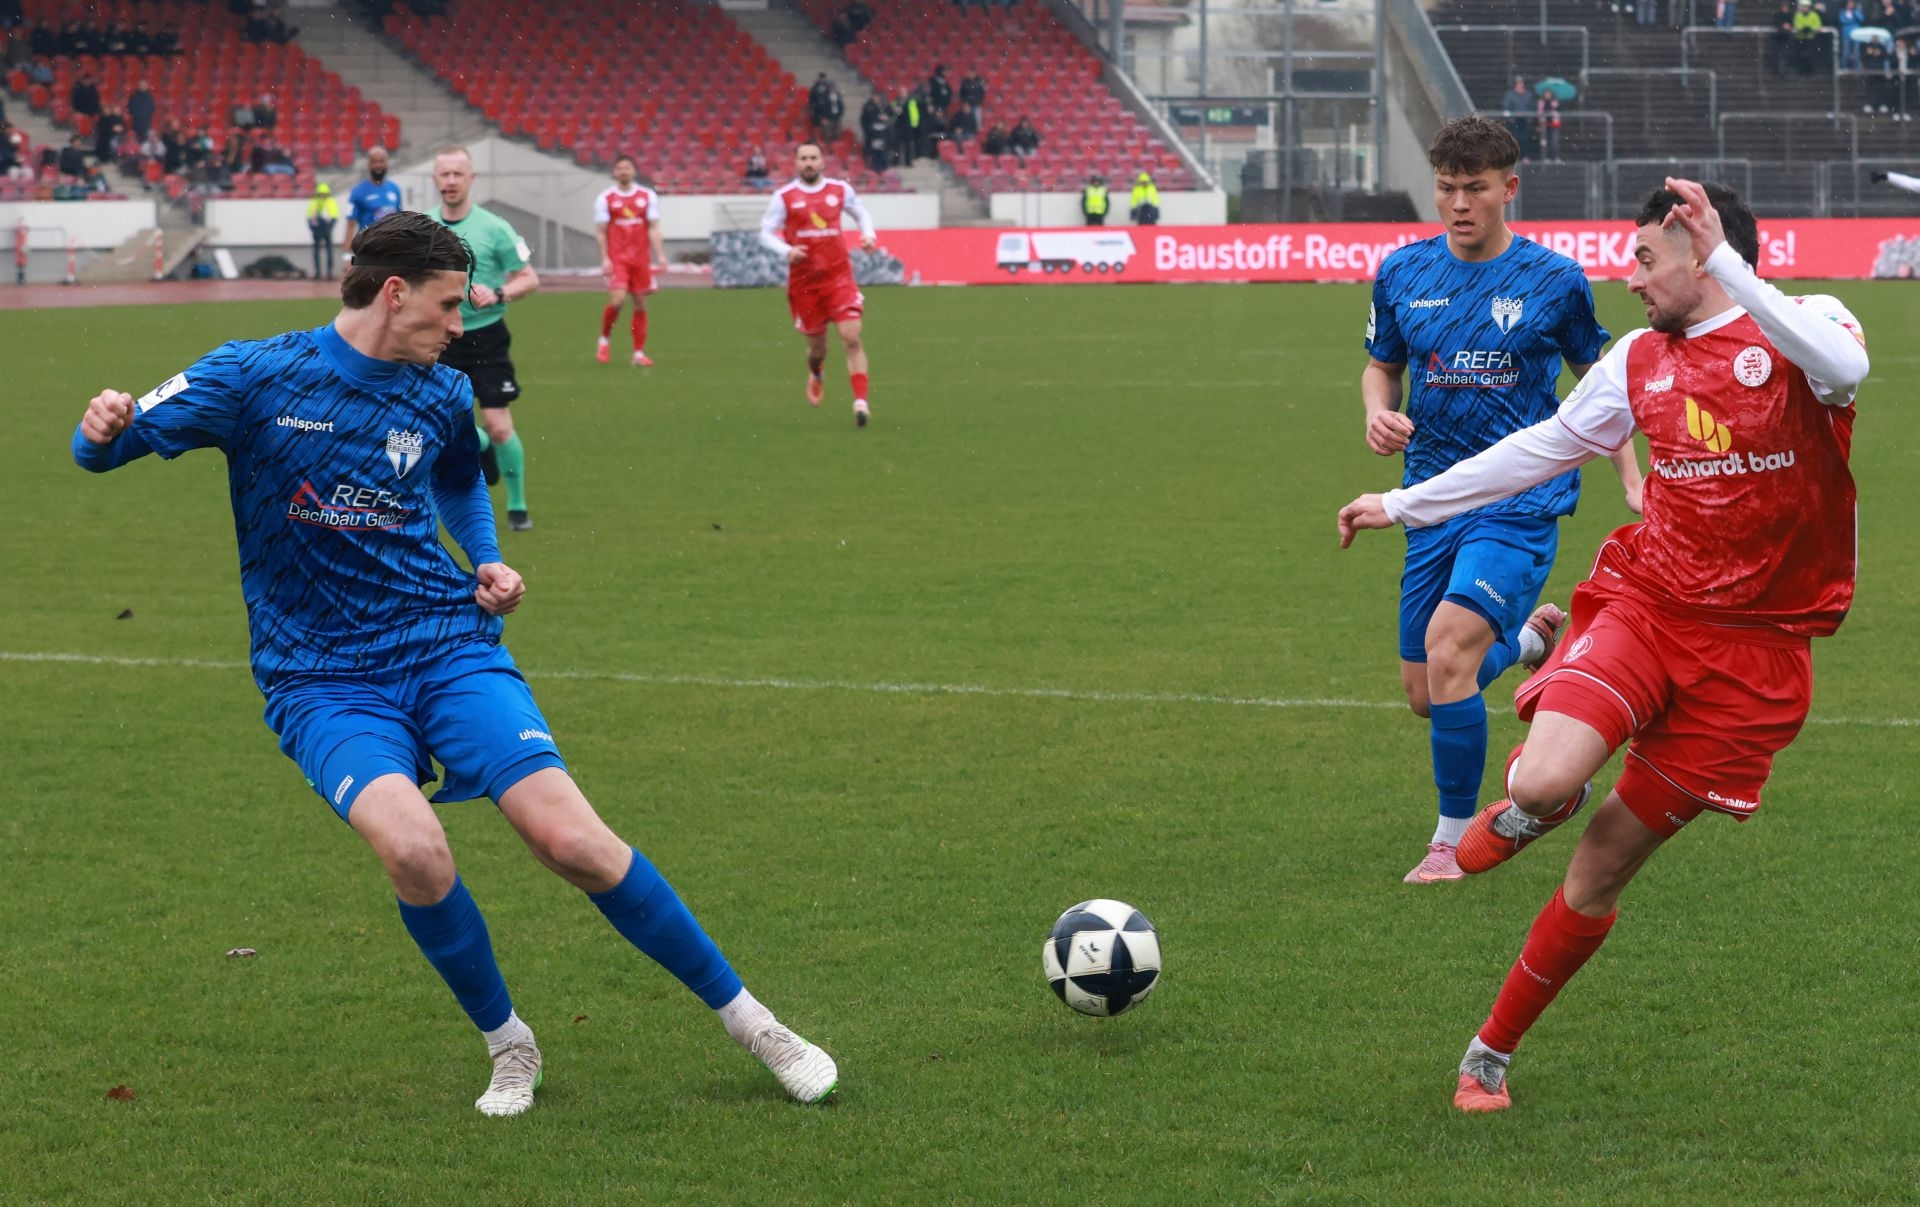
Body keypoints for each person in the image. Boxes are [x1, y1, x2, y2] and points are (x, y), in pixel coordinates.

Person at [69, 210, 840, 1119]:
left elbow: (459, 476)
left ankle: (755, 1023)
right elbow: (103, 450)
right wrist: (103, 422)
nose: (459, 326)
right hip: (320, 677)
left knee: (575, 843)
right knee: (414, 851)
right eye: (445, 306)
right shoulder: (254, 375)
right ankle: (509, 1042)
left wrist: (484, 557)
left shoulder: (437, 388)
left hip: (443, 645)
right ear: (394, 294)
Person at [1337, 178, 1868, 1114]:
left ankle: (1489, 1052)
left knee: (1603, 865)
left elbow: (1846, 372)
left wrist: (1728, 266)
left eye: (1645, 259)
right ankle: (1538, 801)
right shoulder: (1634, 360)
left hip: (1756, 658)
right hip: (1650, 604)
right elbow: (1540, 448)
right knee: (1539, 785)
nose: (1631, 280)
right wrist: (1403, 503)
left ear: (1701, 253)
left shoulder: (1806, 321)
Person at [1354, 114, 1641, 886]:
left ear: (1508, 188)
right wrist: (1377, 411)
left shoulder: (1554, 281)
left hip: (1521, 498)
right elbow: (1381, 366)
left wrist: (1630, 477)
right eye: (1446, 188)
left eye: (1474, 188)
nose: (1457, 203)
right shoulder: (1403, 273)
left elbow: (1602, 387)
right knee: (1426, 691)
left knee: (1449, 649)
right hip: (1432, 497)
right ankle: (1527, 647)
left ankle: (1450, 840)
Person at [428, 146, 541, 532]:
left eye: (458, 174)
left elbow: (529, 278)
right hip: (440, 339)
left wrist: (499, 292)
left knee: (499, 425)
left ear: (471, 179)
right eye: (445, 174)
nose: (451, 181)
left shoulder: (494, 228)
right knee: (444, 426)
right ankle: (480, 446)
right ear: (435, 180)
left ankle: (518, 505)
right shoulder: (423, 228)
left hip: (488, 338)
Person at [759, 142, 878, 427]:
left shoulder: (839, 190)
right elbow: (765, 233)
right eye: (803, 158)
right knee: (817, 350)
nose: (809, 163)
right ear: (796, 163)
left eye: (813, 158)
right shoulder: (784, 196)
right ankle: (817, 371)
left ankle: (861, 402)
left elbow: (861, 213)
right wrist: (786, 250)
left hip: (838, 278)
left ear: (823, 162)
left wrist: (868, 234)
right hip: (804, 284)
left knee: (851, 336)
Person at [592, 154, 664, 368]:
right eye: (620, 168)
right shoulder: (605, 198)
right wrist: (605, 258)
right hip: (618, 259)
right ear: (614, 172)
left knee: (641, 303)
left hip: (640, 259)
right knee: (617, 301)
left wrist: (660, 255)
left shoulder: (647, 195)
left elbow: (653, 227)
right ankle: (604, 339)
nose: (624, 171)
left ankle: (638, 353)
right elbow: (601, 232)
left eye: (627, 168)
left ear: (633, 171)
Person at [343, 146, 404, 254]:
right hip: (367, 249)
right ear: (369, 164)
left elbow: (400, 221)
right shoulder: (358, 191)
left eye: (381, 161)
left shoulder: (394, 189)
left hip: (390, 250)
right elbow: (350, 224)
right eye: (374, 161)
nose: (378, 165)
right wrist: (347, 256)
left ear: (387, 163)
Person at [306, 181, 340, 278]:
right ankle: (318, 272)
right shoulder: (316, 202)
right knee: (318, 251)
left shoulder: (328, 201)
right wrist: (313, 228)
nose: (322, 196)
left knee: (328, 250)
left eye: (324, 194)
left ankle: (329, 272)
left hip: (326, 229)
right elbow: (309, 217)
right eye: (321, 194)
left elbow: (335, 216)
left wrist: (329, 228)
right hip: (318, 230)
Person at [1501, 77, 1535, 162]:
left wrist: (1528, 116)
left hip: (1525, 121)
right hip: (1514, 121)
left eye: (1521, 84)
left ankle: (1526, 156)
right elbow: (1506, 106)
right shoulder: (1510, 95)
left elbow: (1532, 107)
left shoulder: (1528, 94)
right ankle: (1516, 157)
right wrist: (1511, 117)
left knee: (1526, 139)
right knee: (1515, 139)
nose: (1520, 86)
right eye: (1518, 84)